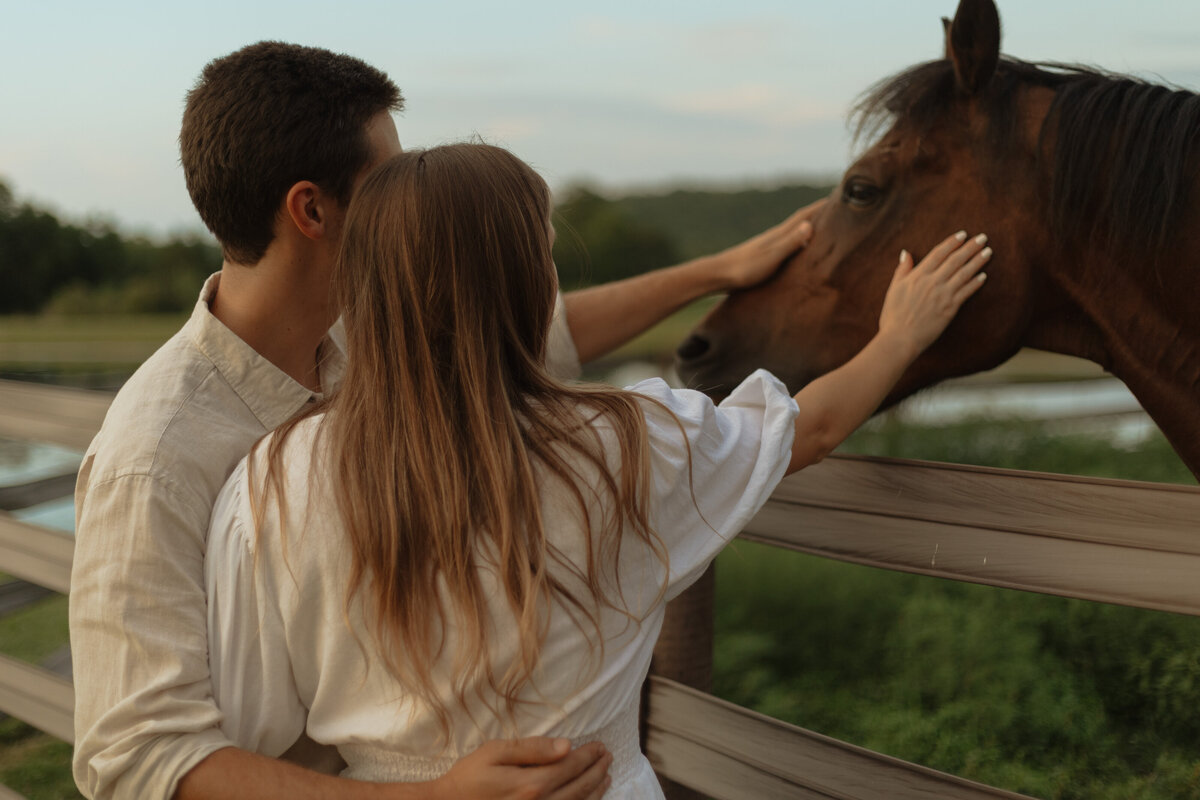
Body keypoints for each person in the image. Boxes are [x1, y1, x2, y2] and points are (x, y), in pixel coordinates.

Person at [68, 42, 817, 800]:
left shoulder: (362, 335)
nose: (411, 193)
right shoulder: (154, 454)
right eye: (387, 178)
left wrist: (715, 273)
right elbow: (133, 758)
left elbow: (532, 334)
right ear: (312, 210)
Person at [203, 144, 991, 797]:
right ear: (530, 283)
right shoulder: (625, 442)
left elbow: (247, 727)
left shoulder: (272, 483)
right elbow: (807, 427)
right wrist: (901, 333)